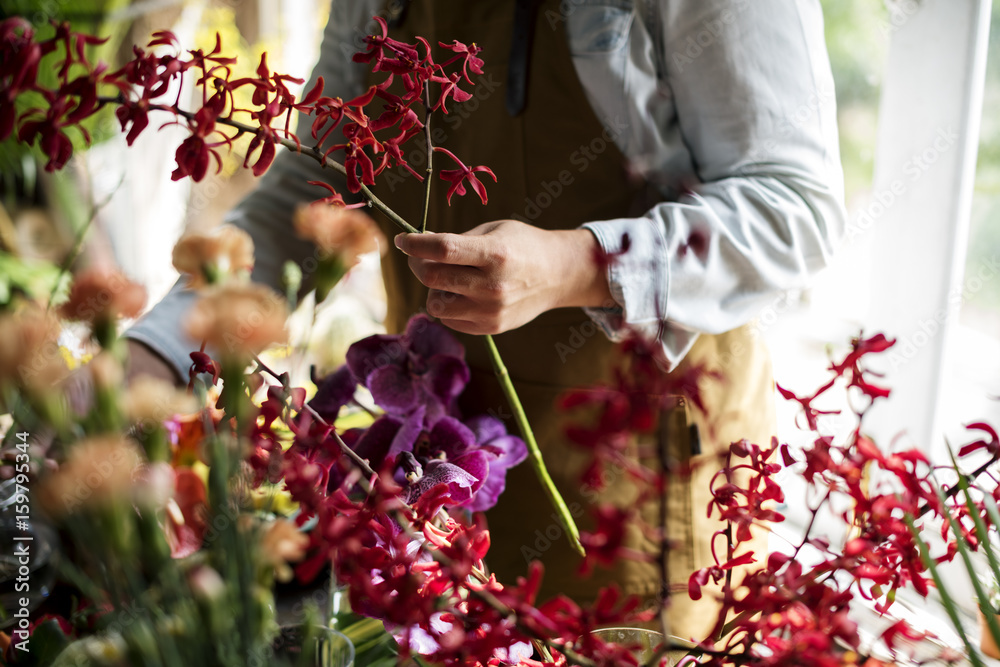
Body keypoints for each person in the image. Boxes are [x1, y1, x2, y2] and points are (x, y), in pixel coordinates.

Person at [126, 0, 846, 641]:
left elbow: (794, 210)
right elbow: (320, 175)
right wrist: (161, 350)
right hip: (426, 469)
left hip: (630, 488)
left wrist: (579, 265)